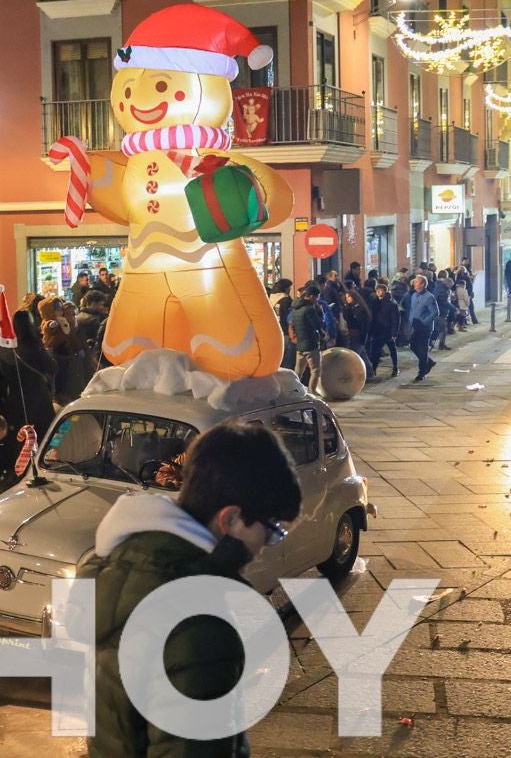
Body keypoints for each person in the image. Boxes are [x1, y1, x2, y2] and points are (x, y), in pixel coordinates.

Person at [81, 422, 302, 757]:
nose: (267, 545)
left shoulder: (125, 565)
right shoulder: (199, 621)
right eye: (271, 530)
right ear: (230, 520)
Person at [289, 287, 324, 392]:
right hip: (311, 344)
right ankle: (312, 392)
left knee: (298, 372)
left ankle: (294, 392)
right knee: (315, 371)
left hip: (300, 345)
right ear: (312, 296)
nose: (317, 299)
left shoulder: (295, 310)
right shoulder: (309, 310)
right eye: (317, 297)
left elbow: (293, 326)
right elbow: (317, 324)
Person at [406, 275, 438, 381]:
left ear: (422, 284)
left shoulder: (429, 297)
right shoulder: (414, 295)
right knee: (413, 346)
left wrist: (424, 322)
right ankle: (428, 362)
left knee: (423, 349)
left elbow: (435, 312)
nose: (414, 284)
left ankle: (422, 372)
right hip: (414, 326)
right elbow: (412, 310)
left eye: (416, 282)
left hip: (424, 328)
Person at [366, 283, 400, 378]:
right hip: (378, 330)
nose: (378, 292)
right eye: (377, 291)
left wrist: (394, 333)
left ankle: (395, 368)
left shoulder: (391, 303)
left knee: (392, 349)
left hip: (387, 330)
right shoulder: (374, 302)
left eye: (380, 290)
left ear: (385, 291)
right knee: (375, 352)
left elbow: (395, 319)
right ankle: (374, 369)